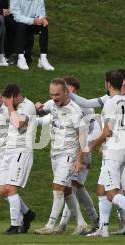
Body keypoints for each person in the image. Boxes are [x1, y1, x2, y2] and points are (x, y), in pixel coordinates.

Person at [69, 70, 125, 237]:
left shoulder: (111, 102)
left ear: (108, 84)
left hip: (113, 151)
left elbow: (107, 131)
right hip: (121, 149)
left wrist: (90, 146)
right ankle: (103, 229)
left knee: (113, 194)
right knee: (101, 189)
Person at [34, 79, 90, 235]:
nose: (54, 97)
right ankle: (81, 223)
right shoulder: (52, 104)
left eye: (57, 94)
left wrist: (79, 159)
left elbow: (83, 137)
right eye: (51, 94)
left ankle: (50, 224)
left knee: (58, 187)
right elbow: (41, 110)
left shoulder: (75, 111)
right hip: (55, 153)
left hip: (69, 153)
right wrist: (38, 107)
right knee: (65, 190)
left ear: (66, 92)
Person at [55, 76, 100, 234]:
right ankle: (94, 219)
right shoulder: (64, 106)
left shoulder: (84, 108)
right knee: (76, 187)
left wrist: (88, 148)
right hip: (68, 151)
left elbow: (91, 131)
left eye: (67, 88)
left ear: (74, 89)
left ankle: (63, 224)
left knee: (71, 186)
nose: (65, 91)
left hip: (81, 151)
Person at [0, 84, 37, 234]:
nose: (6, 103)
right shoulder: (13, 106)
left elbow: (19, 123)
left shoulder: (27, 106)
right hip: (9, 151)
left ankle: (15, 225)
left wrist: (10, 106)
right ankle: (27, 213)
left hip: (22, 151)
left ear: (14, 97)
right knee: (1, 189)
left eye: (8, 100)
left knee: (11, 188)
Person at [10, 0, 54, 71]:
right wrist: (32, 21)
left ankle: (43, 58)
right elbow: (17, 16)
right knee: (22, 25)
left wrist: (41, 19)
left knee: (44, 25)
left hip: (33, 22)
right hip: (16, 23)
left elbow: (41, 12)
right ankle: (21, 58)